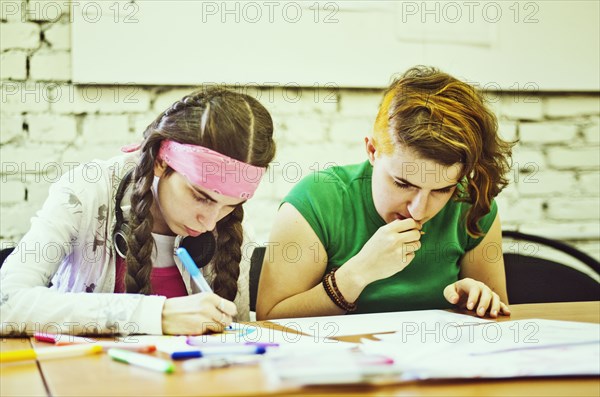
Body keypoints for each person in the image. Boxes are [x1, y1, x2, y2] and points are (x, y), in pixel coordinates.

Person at [1, 88, 276, 335]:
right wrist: (156, 315)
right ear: (159, 160)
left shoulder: (229, 226)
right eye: (200, 196)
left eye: (230, 205)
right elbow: (6, 302)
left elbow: (239, 340)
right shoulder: (86, 190)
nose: (210, 222)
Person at [257, 66, 513, 320]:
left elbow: (501, 317)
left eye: (443, 190)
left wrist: (474, 304)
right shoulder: (317, 200)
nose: (419, 210)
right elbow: (270, 320)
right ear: (372, 150)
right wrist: (357, 274)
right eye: (403, 183)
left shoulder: (471, 203)